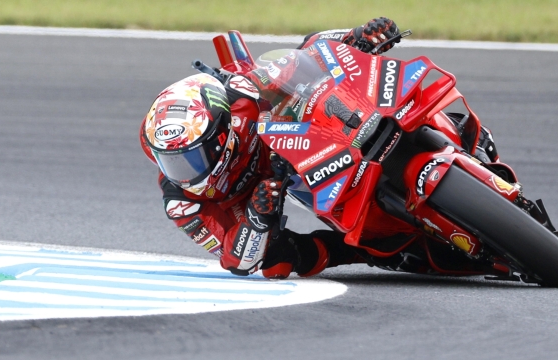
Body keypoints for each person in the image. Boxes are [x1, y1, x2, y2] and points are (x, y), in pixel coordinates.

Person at [140, 18, 498, 279]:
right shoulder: (182, 201)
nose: (184, 172)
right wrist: (257, 216)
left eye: (190, 158)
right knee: (277, 262)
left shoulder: (241, 96)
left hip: (320, 133)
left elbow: (302, 56)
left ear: (222, 133)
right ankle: (368, 250)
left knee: (365, 89)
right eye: (171, 161)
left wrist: (355, 38)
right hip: (294, 181)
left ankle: (452, 132)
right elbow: (236, 260)